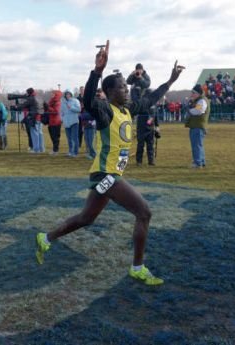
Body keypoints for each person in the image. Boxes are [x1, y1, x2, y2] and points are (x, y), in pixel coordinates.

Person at [35, 40, 184, 285]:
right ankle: (138, 267)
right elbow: (88, 102)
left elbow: (151, 98)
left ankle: (46, 238)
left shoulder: (128, 110)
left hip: (107, 176)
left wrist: (170, 82)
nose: (127, 90)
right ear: (111, 92)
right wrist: (97, 71)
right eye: (123, 88)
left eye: (126, 87)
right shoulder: (105, 111)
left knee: (86, 219)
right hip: (106, 175)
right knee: (144, 212)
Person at [185, 84, 210, 168]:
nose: (192, 94)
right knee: (199, 145)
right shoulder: (200, 100)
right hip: (197, 126)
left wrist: (189, 110)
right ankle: (201, 161)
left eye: (193, 93)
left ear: (198, 93)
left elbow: (198, 111)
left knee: (196, 145)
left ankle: (198, 162)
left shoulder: (201, 101)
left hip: (198, 126)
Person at [135, 89, 158, 166]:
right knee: (140, 145)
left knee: (150, 145)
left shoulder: (154, 104)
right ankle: (139, 161)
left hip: (150, 128)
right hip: (141, 127)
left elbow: (155, 115)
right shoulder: (141, 103)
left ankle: (151, 161)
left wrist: (157, 126)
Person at [61, 90, 81, 157]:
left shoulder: (75, 101)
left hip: (74, 121)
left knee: (75, 138)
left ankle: (75, 152)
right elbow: (61, 111)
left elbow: (79, 109)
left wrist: (71, 107)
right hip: (66, 122)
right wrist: (62, 118)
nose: (68, 95)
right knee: (69, 138)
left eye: (69, 94)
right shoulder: (63, 102)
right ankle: (70, 151)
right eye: (66, 94)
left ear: (71, 94)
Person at [46, 90, 62, 155]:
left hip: (56, 122)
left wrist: (48, 107)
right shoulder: (51, 101)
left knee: (55, 137)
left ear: (56, 94)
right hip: (51, 121)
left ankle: (56, 150)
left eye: (53, 94)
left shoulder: (58, 102)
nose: (51, 95)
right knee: (52, 136)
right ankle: (54, 149)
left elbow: (56, 111)